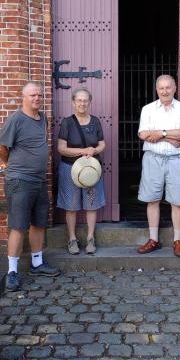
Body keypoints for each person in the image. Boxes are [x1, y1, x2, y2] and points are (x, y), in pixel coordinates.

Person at [0, 81, 60, 292]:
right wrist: (9, 165)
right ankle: (12, 272)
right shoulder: (16, 119)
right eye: (32, 95)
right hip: (19, 180)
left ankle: (37, 263)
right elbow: (0, 148)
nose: (37, 98)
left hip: (39, 180)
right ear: (23, 96)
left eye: (39, 95)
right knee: (18, 225)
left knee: (39, 222)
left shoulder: (43, 119)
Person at [137, 75, 180, 257]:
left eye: (168, 87)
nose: (164, 91)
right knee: (152, 199)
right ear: (156, 90)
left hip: (177, 160)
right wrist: (170, 136)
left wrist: (160, 133)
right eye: (161, 88)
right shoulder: (148, 109)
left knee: (177, 200)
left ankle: (177, 240)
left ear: (174, 88)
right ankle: (153, 239)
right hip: (152, 158)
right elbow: (143, 134)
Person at [57, 88, 106, 255]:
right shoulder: (67, 122)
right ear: (73, 102)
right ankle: (72, 239)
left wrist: (94, 150)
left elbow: (102, 144)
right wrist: (83, 151)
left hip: (91, 170)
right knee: (71, 206)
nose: (82, 103)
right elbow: (61, 148)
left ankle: (90, 238)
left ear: (89, 102)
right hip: (70, 169)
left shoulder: (95, 121)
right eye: (79, 100)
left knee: (91, 205)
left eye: (85, 100)